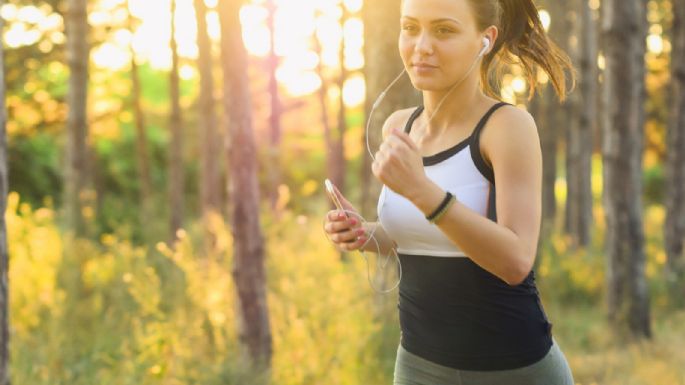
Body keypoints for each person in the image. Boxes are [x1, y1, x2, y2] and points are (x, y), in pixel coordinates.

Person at [323, 0, 575, 383]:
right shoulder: (398, 126)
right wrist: (365, 233)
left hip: (515, 369)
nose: (421, 45)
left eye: (443, 30)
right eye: (410, 28)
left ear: (485, 39)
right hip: (419, 366)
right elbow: (421, 235)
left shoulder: (507, 127)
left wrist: (424, 192)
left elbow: (516, 261)